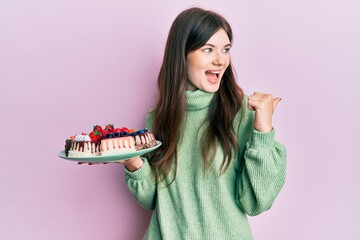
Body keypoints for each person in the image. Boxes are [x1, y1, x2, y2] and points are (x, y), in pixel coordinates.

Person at [116, 7, 286, 239]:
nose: (220, 60)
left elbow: (256, 202)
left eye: (225, 50)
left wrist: (263, 131)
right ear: (182, 55)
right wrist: (134, 163)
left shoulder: (243, 113)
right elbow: (155, 200)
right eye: (208, 49)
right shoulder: (158, 118)